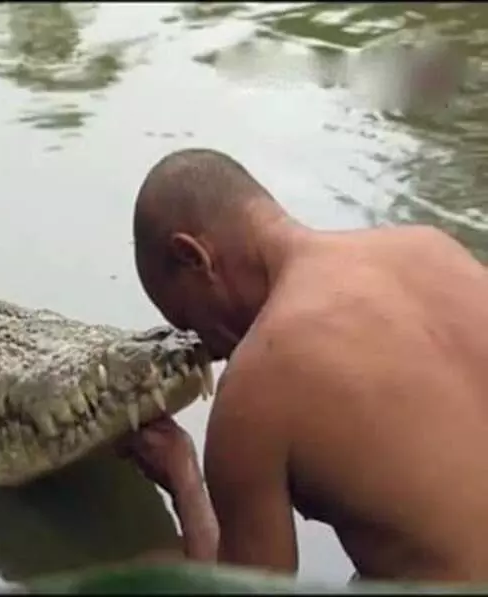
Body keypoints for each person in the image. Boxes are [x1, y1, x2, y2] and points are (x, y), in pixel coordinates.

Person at [120, 148, 488, 582]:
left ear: (194, 257)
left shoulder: (256, 387)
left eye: (187, 320)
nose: (208, 351)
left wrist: (184, 478)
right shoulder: (432, 247)